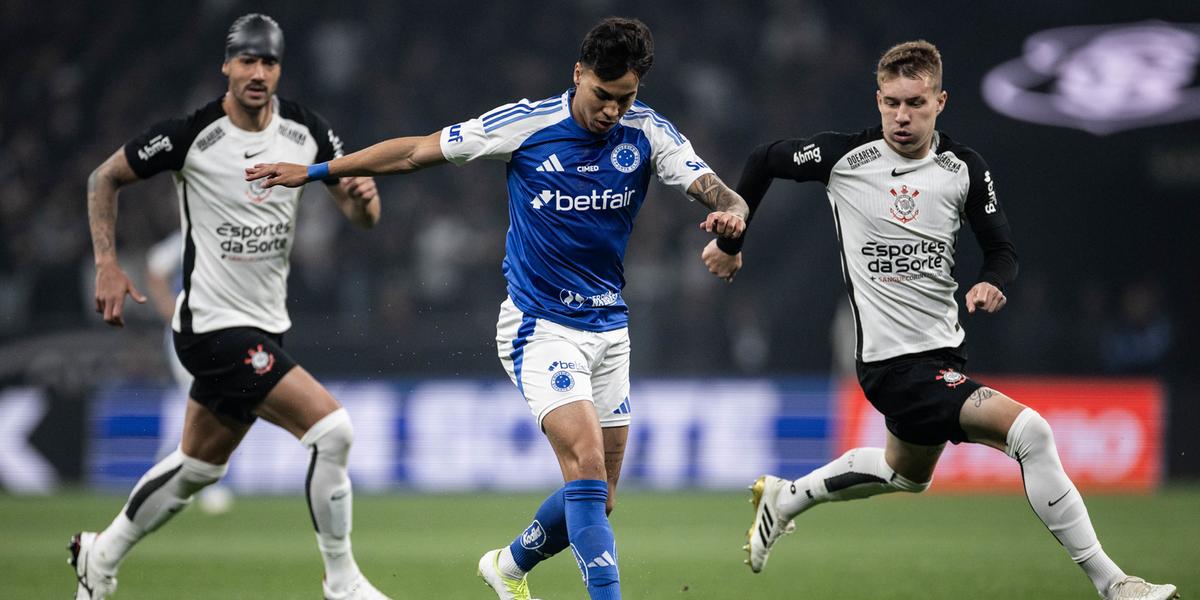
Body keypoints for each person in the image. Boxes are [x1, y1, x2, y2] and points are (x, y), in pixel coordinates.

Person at [247, 17, 748, 600]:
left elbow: (723, 194)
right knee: (585, 467)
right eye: (602, 96)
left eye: (625, 98)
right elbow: (415, 152)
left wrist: (732, 230)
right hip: (540, 326)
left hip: (611, 329)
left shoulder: (649, 133)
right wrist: (313, 172)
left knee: (600, 496)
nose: (612, 111)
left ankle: (508, 566)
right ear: (578, 73)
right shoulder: (527, 123)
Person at [703, 40, 1178, 600]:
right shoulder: (844, 159)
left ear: (940, 101)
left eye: (916, 103)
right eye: (891, 103)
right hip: (891, 365)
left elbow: (1001, 250)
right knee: (1031, 432)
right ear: (877, 100)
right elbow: (763, 160)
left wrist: (993, 282)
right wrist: (734, 238)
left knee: (906, 473)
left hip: (944, 352)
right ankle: (1114, 584)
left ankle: (787, 497)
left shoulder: (962, 169)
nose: (901, 116)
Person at [77, 14, 390, 600]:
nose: (257, 72)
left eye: (268, 61)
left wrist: (364, 204)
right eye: (246, 60)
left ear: (279, 68)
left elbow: (357, 213)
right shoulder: (191, 134)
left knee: (199, 467)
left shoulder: (306, 130)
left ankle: (102, 553)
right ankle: (343, 581)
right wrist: (106, 263)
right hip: (211, 328)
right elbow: (103, 179)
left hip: (267, 325)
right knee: (333, 431)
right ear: (226, 65)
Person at [145, 231, 236, 515]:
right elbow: (155, 268)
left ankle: (168, 470)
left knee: (205, 405)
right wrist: (171, 311)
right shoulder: (189, 232)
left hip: (219, 332)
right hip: (188, 335)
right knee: (203, 403)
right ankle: (203, 482)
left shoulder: (226, 231)